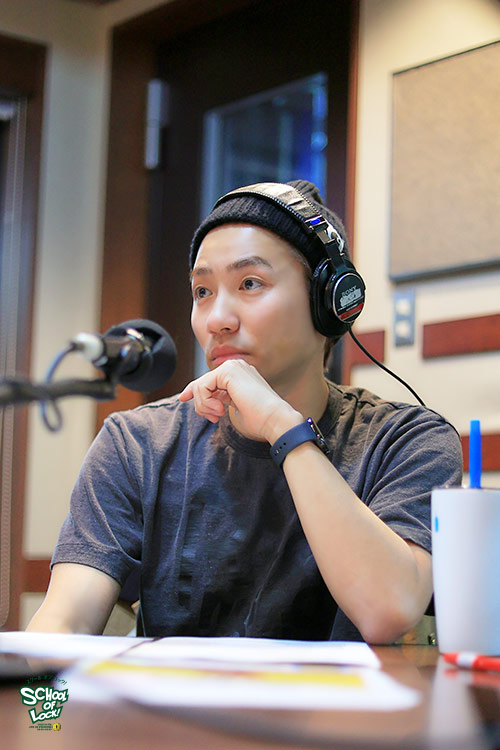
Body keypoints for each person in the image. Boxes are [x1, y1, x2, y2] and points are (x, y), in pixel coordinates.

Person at [27, 179, 462, 643]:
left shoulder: (407, 440)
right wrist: (36, 694)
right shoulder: (137, 444)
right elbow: (64, 624)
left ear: (330, 303)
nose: (217, 319)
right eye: (202, 291)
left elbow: (389, 609)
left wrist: (281, 427)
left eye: (250, 283)